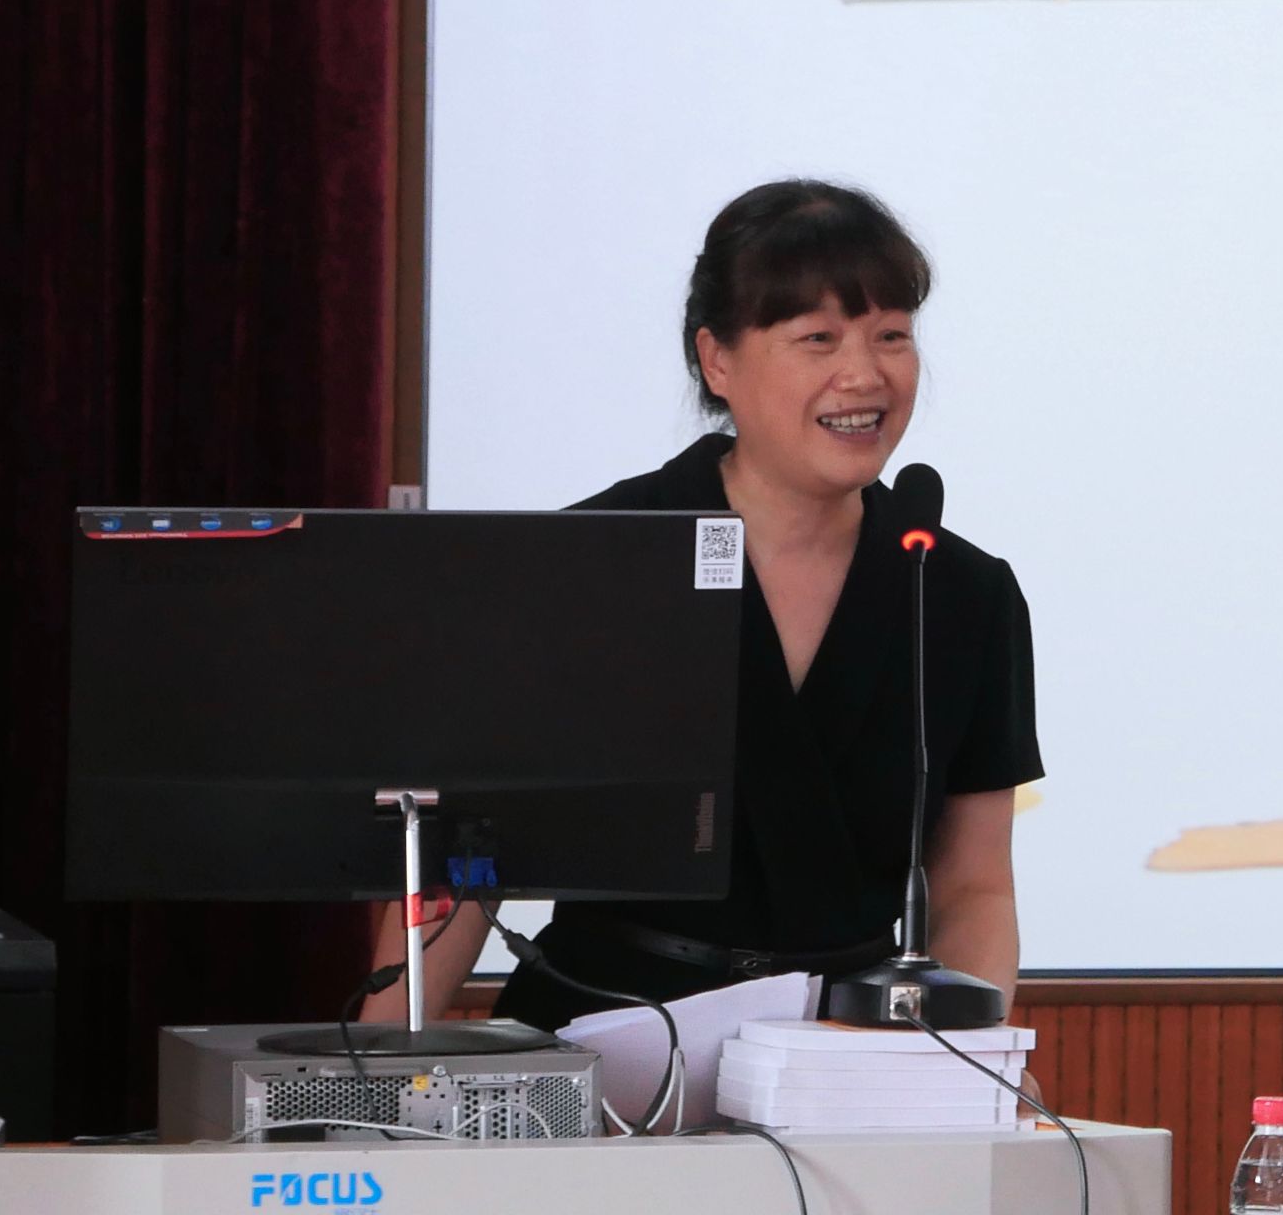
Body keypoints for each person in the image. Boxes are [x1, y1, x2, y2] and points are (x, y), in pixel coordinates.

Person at [362, 179, 1042, 1030]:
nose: (864, 375)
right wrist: (373, 1068)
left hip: (845, 1048)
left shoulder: (961, 591)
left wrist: (962, 1062)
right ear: (718, 359)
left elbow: (975, 887)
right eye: (818, 338)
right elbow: (462, 868)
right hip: (607, 1028)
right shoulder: (587, 559)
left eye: (892, 336)